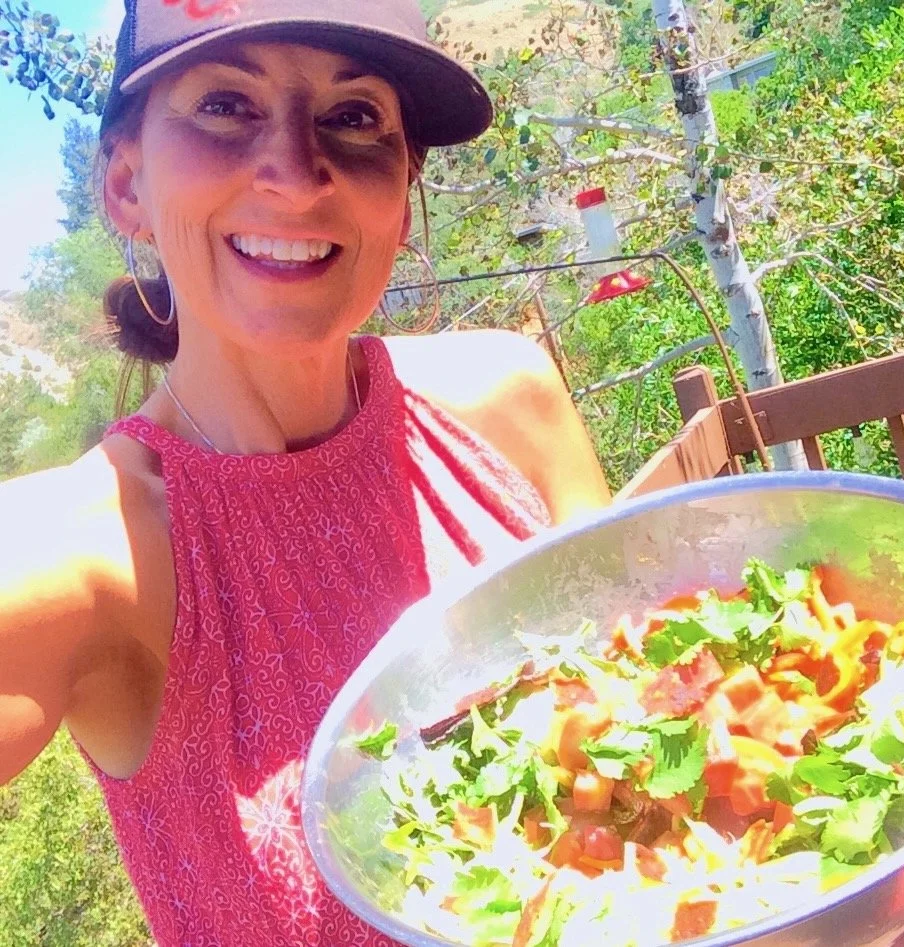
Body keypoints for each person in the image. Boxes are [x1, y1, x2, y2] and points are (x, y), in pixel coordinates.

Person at [0, 1, 611, 944]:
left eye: (356, 116)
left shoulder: (508, 402)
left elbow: (649, 721)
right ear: (125, 183)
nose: (295, 171)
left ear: (402, 192)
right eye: (225, 106)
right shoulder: (87, 557)